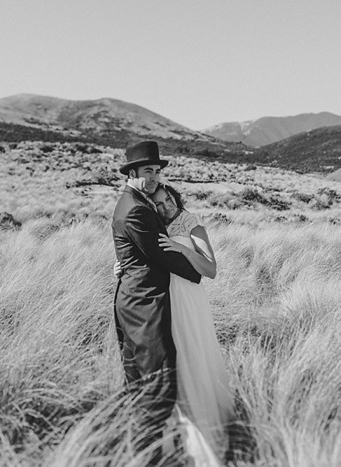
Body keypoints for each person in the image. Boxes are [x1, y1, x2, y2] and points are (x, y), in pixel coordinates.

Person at [111, 141, 202, 463]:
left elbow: (137, 250)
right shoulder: (135, 207)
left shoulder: (138, 201)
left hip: (138, 299)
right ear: (132, 172)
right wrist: (198, 272)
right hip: (144, 304)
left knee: (140, 380)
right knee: (157, 383)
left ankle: (149, 449)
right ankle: (147, 455)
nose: (153, 177)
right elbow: (157, 253)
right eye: (147, 170)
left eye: (157, 171)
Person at [151, 184, 236, 463]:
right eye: (160, 204)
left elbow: (211, 269)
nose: (167, 207)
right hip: (167, 300)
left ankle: (206, 431)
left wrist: (180, 248)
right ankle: (179, 433)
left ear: (176, 198)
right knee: (174, 357)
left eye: (169, 200)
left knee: (194, 352)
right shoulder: (154, 228)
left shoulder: (192, 225)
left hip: (190, 297)